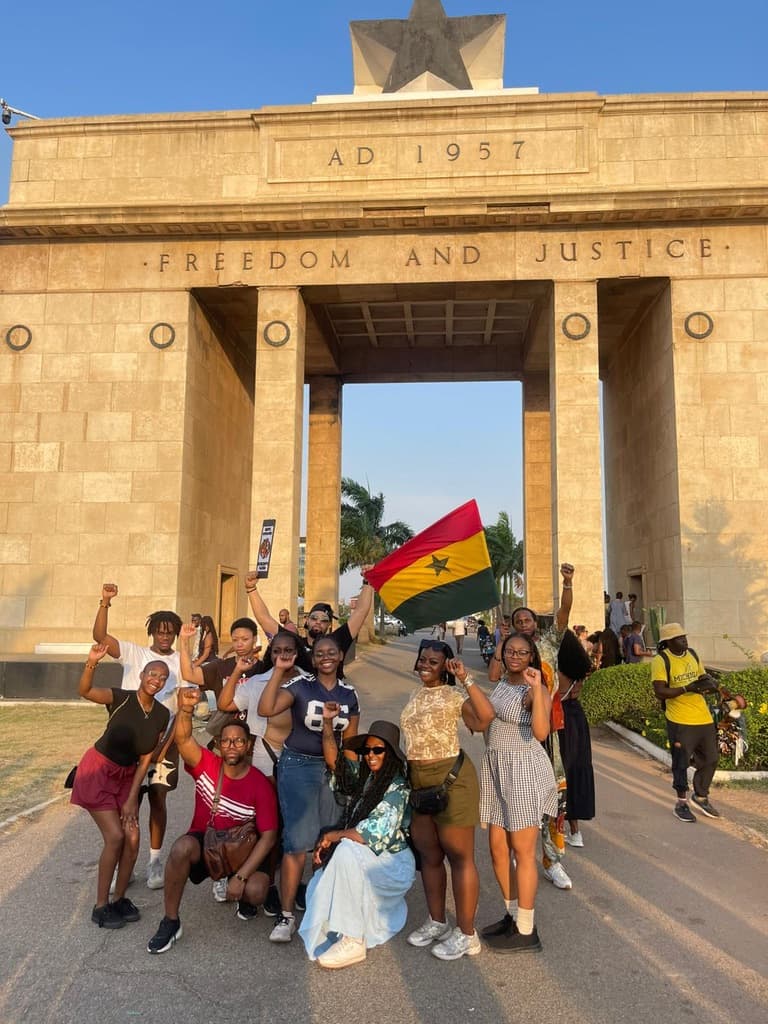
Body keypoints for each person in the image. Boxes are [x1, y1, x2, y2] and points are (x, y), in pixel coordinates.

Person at [146, 686, 279, 953]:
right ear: (218, 744)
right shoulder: (207, 765)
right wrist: (185, 709)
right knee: (181, 847)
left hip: (244, 849)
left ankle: (247, 896)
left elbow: (269, 836)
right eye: (226, 740)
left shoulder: (260, 785)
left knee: (255, 891)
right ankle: (171, 921)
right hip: (208, 844)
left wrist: (241, 878)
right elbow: (183, 740)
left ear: (249, 745)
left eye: (239, 741)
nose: (232, 746)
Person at [258, 634, 360, 943]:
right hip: (299, 765)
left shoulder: (349, 694)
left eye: (331, 652)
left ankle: (321, 908)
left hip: (333, 768)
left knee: (327, 840)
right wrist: (279, 669)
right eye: (319, 653)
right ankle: (286, 915)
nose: (326, 657)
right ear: (312, 659)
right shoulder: (300, 686)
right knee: (297, 841)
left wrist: (352, 776)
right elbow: (265, 708)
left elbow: (352, 742)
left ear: (341, 656)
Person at [402, 640, 495, 961]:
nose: (426, 664)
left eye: (434, 661)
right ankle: (438, 921)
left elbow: (484, 718)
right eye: (423, 658)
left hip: (453, 780)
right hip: (418, 780)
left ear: (446, 666)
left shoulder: (455, 696)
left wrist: (467, 678)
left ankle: (467, 935)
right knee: (429, 855)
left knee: (459, 857)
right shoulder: (415, 694)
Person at [300, 712, 415, 969]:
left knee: (346, 851)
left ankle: (353, 939)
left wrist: (331, 836)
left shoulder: (397, 788)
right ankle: (354, 921)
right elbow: (336, 765)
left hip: (393, 863)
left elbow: (367, 835)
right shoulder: (367, 777)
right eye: (367, 750)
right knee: (318, 887)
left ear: (391, 754)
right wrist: (328, 725)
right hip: (371, 858)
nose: (371, 755)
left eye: (378, 750)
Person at [71, 643, 170, 930]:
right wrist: (92, 663)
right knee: (115, 837)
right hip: (99, 771)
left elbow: (146, 759)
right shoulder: (120, 698)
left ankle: (119, 899)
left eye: (162, 677)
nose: (156, 679)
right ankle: (100, 906)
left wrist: (130, 798)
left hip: (128, 777)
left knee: (133, 838)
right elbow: (85, 691)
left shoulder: (163, 714)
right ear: (141, 675)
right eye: (152, 673)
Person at [490, 563, 575, 891]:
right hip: (515, 738)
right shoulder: (509, 654)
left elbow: (564, 614)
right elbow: (494, 679)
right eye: (517, 621)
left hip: (546, 734)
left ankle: (552, 860)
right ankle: (518, 850)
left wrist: (567, 584)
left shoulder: (550, 645)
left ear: (535, 624)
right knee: (514, 797)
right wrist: (502, 645)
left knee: (553, 798)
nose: (523, 624)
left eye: (527, 620)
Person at [92, 583, 182, 890]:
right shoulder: (134, 653)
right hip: (131, 743)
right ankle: (125, 864)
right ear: (153, 631)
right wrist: (105, 602)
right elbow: (101, 638)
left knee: (158, 798)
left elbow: (185, 701)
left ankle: (154, 861)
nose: (165, 636)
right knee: (126, 804)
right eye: (160, 630)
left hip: (164, 743)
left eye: (171, 631)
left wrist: (164, 746)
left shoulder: (180, 662)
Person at [479, 632, 557, 952]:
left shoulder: (532, 689)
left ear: (532, 657)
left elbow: (540, 731)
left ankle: (526, 929)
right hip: (497, 770)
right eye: (509, 651)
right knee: (498, 848)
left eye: (522, 652)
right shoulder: (502, 683)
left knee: (522, 851)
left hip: (523, 771)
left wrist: (538, 689)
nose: (514, 656)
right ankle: (512, 915)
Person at [243, 567, 374, 675]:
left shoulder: (337, 641)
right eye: (314, 618)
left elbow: (360, 612)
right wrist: (251, 589)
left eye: (324, 620)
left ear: (329, 625)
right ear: (307, 620)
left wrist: (368, 582)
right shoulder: (294, 642)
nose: (318, 622)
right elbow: (264, 618)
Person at [650, 623, 721, 823]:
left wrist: (710, 685)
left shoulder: (692, 654)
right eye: (679, 638)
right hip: (680, 720)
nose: (684, 640)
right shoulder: (661, 660)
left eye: (684, 636)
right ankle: (681, 803)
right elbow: (660, 691)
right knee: (681, 763)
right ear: (668, 642)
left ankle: (700, 796)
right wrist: (686, 688)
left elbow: (701, 678)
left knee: (711, 758)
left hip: (703, 717)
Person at [556, 630, 596, 849]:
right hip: (577, 717)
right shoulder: (580, 668)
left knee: (560, 770)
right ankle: (575, 831)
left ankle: (557, 826)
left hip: (561, 719)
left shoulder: (557, 671)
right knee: (578, 769)